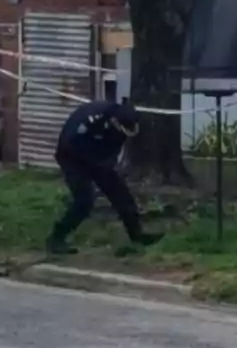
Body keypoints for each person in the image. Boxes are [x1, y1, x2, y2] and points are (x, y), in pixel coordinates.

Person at [46, 99, 163, 255]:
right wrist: (92, 166)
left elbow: (114, 148)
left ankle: (137, 235)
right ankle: (57, 238)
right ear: (114, 121)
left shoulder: (123, 122)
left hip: (98, 158)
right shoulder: (90, 119)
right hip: (71, 157)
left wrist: (107, 166)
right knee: (84, 200)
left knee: (121, 195)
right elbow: (69, 143)